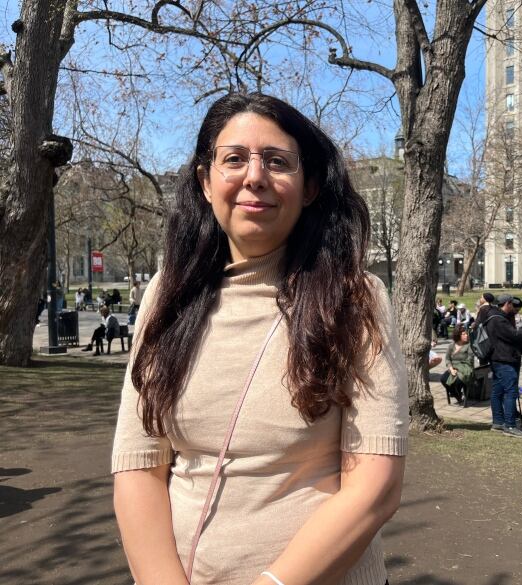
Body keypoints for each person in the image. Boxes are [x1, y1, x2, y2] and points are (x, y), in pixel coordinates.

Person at [111, 93, 408, 585]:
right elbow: (140, 466)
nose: (255, 177)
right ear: (205, 182)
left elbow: (374, 485)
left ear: (309, 186)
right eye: (233, 159)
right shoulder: (167, 295)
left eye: (276, 161)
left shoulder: (356, 298)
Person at [484, 294, 522, 438]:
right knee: (511, 392)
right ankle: (510, 426)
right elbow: (513, 335)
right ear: (507, 303)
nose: (514, 307)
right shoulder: (499, 320)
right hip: (504, 360)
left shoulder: (493, 316)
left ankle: (498, 422)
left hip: (497, 359)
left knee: (497, 391)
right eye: (512, 304)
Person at [440, 325, 475, 404]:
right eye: (464, 334)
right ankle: (456, 394)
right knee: (443, 379)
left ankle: (456, 393)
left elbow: (470, 360)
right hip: (453, 368)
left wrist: (457, 367)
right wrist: (451, 369)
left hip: (465, 369)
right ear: (458, 335)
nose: (466, 335)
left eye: (466, 334)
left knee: (457, 381)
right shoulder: (451, 346)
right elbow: (447, 359)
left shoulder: (469, 346)